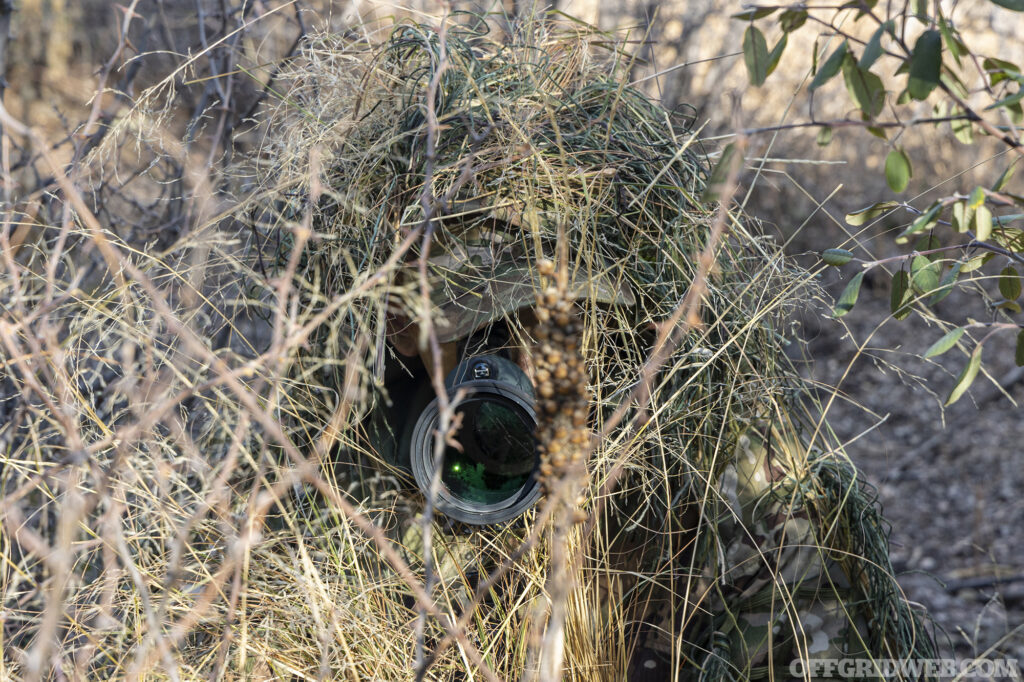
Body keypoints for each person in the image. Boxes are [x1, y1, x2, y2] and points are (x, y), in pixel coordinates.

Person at [272, 16, 938, 680]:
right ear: (406, 337)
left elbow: (813, 643)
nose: (524, 372)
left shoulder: (714, 462)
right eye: (483, 335)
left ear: (628, 329)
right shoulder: (342, 452)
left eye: (572, 329)